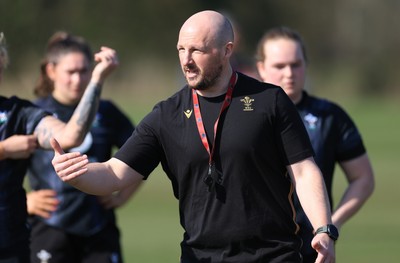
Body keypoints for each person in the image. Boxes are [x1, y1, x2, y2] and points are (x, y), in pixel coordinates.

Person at [50, 10, 337, 263]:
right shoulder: (166, 115)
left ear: (227, 50)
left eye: (197, 50)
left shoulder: (269, 101)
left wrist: (323, 229)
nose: (186, 60)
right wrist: (76, 174)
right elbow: (114, 174)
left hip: (273, 255)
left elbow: (303, 171)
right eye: (181, 49)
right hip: (200, 257)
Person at [255, 26, 375, 262]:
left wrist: (330, 225)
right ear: (261, 68)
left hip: (311, 250)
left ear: (306, 66)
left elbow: (364, 178)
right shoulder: (244, 116)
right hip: (255, 249)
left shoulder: (330, 117)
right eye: (280, 66)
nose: (289, 73)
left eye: (296, 64)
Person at [0, 31, 118, 262]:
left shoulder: (19, 113)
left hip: (10, 245)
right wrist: (3, 149)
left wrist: (97, 80)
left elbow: (71, 135)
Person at [25, 31, 140, 263]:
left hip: (98, 228)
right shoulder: (34, 114)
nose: (77, 80)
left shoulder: (107, 112)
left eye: (84, 71)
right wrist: (23, 200)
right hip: (50, 228)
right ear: (51, 70)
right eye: (70, 72)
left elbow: (142, 154)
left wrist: (122, 197)